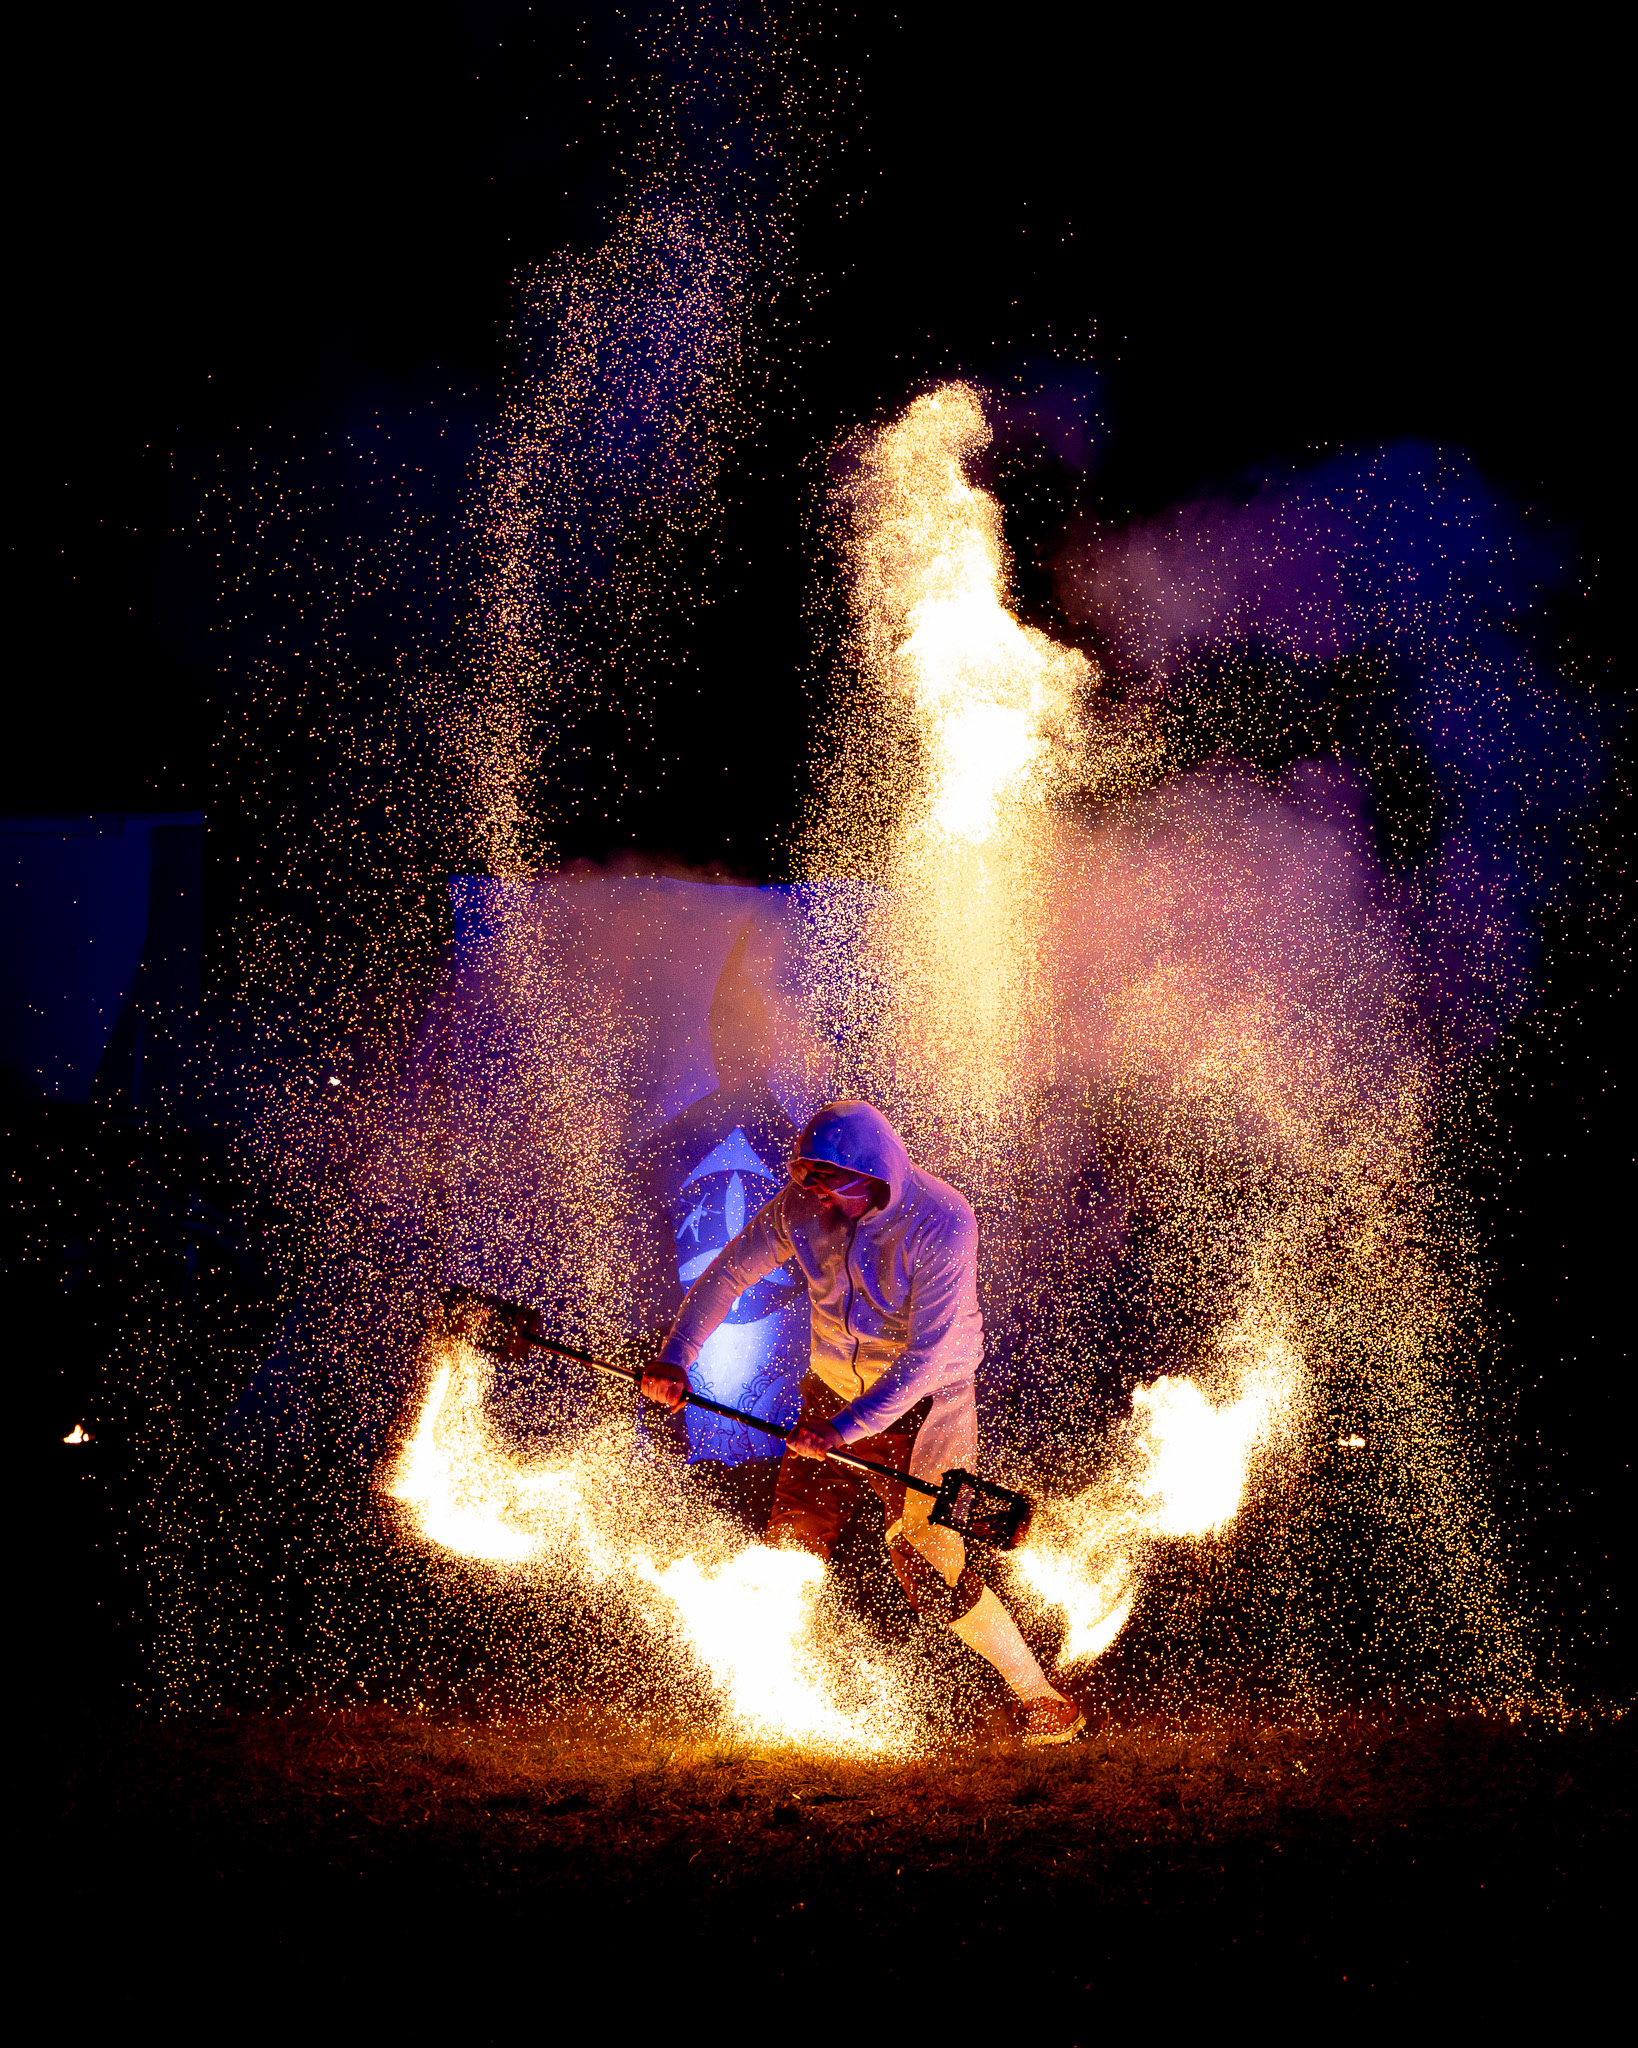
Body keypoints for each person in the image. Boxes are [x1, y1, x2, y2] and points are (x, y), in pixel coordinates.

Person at [642, 1097, 1084, 1746]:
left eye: (830, 1182)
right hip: (831, 1395)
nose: (817, 1199)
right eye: (808, 1180)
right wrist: (676, 1358)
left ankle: (1045, 1703)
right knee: (790, 1547)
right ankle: (764, 1702)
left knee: (931, 1563)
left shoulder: (943, 1221)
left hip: (923, 1410)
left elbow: (925, 1358)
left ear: (874, 1174)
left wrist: (842, 1430)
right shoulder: (802, 1206)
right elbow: (729, 1273)